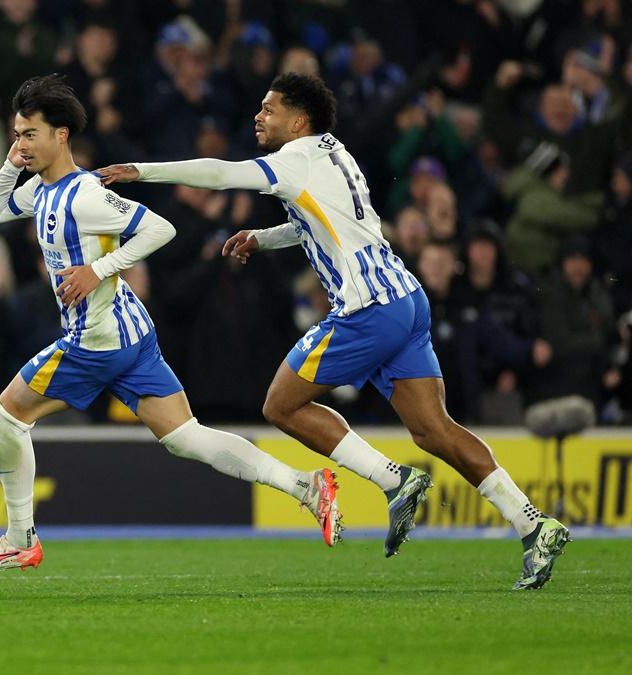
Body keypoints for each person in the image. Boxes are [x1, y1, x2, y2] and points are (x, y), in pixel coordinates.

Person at [98, 72, 569, 590]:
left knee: (280, 405)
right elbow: (323, 221)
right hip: (405, 299)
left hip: (367, 308)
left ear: (298, 122)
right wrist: (263, 235)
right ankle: (534, 524)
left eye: (269, 109)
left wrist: (140, 169)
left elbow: (220, 174)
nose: (258, 117)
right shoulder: (334, 153)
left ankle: (395, 480)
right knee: (435, 430)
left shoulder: (294, 158)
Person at [0, 74, 340, 575]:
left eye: (29, 134)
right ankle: (305, 486)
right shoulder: (42, 193)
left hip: (94, 341)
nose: (20, 144)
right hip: (130, 335)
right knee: (186, 436)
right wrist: (10, 168)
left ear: (61, 137)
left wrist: (97, 269)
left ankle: (19, 539)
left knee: (6, 417)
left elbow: (161, 228)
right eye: (15, 134)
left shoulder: (85, 195)